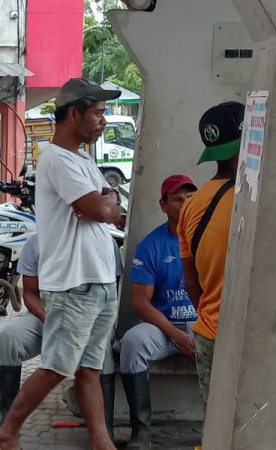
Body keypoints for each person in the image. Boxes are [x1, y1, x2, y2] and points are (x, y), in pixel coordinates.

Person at [0, 78, 122, 450]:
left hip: (99, 281)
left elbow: (112, 206)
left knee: (89, 369)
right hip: (74, 282)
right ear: (74, 113)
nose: (104, 121)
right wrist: (103, 204)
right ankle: (6, 434)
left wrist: (104, 204)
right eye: (97, 113)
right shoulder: (57, 160)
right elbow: (101, 208)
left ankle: (102, 443)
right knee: (57, 366)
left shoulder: (81, 159)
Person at [0, 233, 124, 434]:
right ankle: (6, 421)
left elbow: (110, 294)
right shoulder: (36, 242)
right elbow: (30, 294)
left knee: (103, 349)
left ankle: (104, 429)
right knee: (10, 338)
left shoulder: (105, 242)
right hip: (46, 315)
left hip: (90, 319)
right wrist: (51, 319)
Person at [118, 174, 199, 448]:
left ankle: (221, 427)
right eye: (178, 198)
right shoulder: (151, 245)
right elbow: (140, 303)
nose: (185, 203)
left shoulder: (209, 238)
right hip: (164, 328)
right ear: (163, 205)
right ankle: (141, 432)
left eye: (190, 197)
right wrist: (177, 335)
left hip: (203, 324)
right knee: (132, 342)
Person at [178, 101, 242, 405]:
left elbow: (192, 284)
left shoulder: (191, 204)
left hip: (208, 333)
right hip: (247, 338)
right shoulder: (254, 199)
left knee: (216, 423)